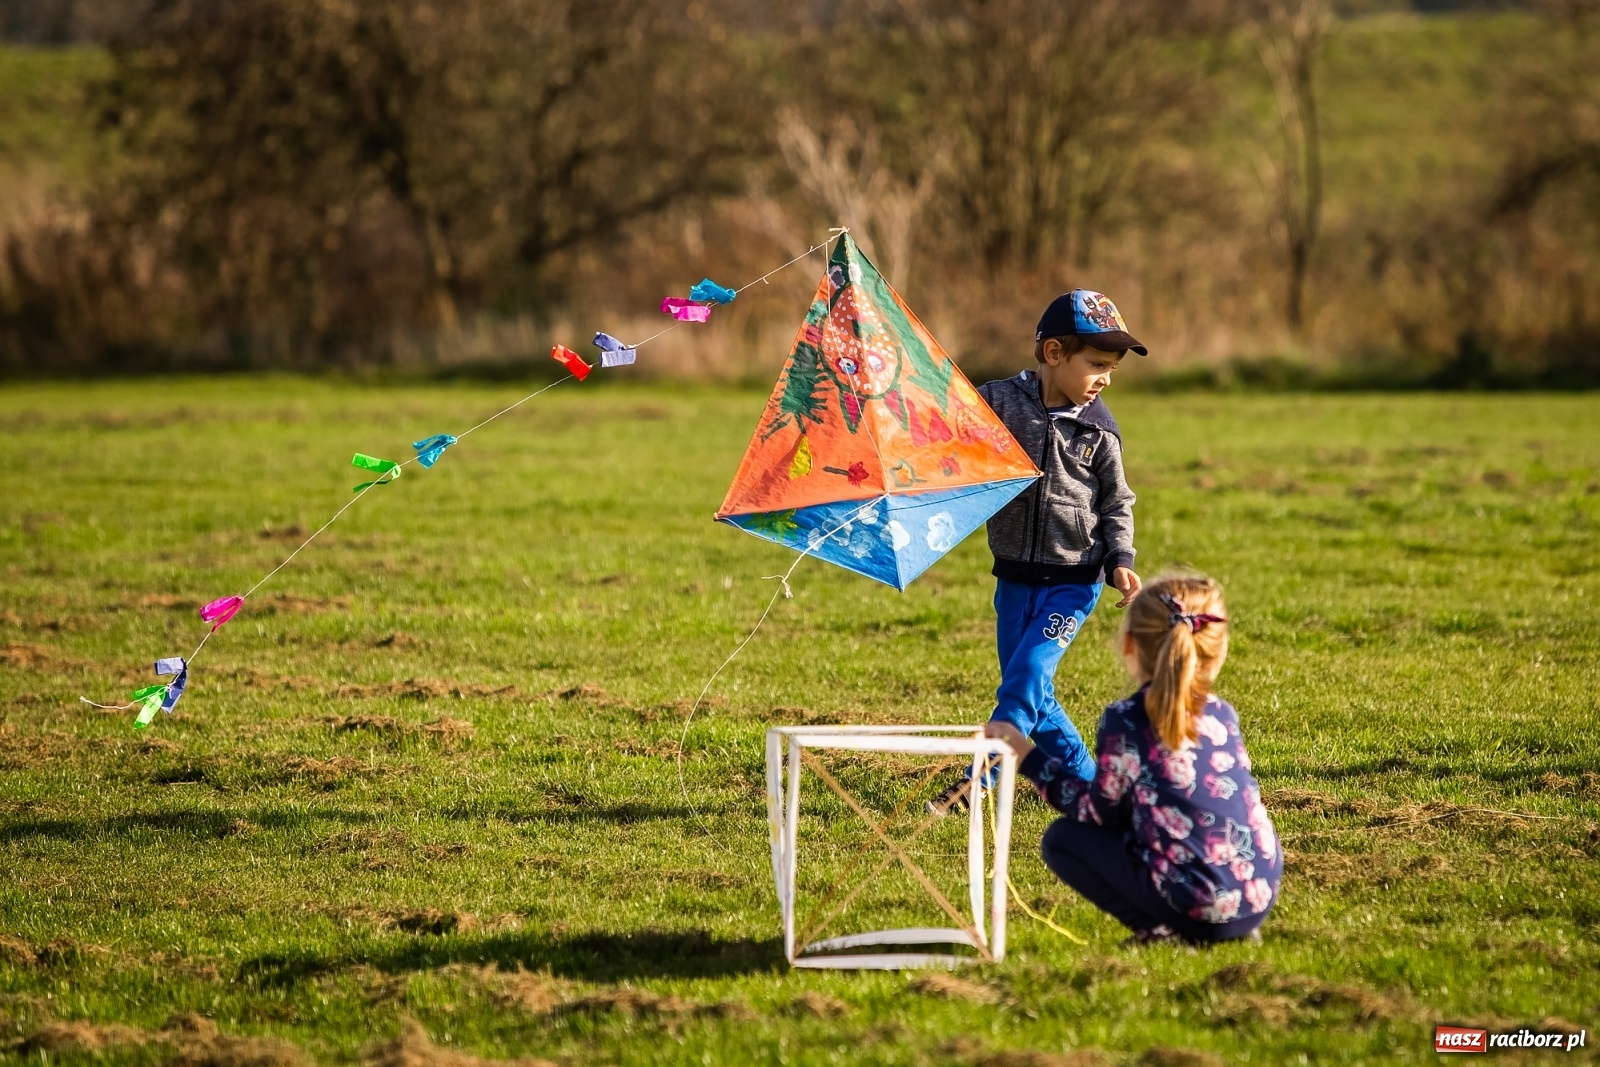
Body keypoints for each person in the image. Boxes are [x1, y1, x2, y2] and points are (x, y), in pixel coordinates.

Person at [928, 289, 1144, 816]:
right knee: (1032, 696)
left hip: (1074, 582)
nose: (1106, 378)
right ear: (1053, 354)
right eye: (1096, 364)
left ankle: (979, 777)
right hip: (1014, 578)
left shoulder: (1100, 430)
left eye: (1111, 368)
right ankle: (1097, 790)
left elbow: (1117, 501)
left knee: (1026, 680)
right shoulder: (997, 402)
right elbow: (942, 424)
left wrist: (1121, 560)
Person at [986, 575, 1280, 944]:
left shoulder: (1126, 720)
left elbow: (1098, 813)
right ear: (1217, 652)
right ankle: (1230, 927)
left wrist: (1028, 758)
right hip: (1259, 894)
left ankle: (1163, 931)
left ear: (1129, 645)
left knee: (1062, 840)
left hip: (1197, 906)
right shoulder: (1223, 714)